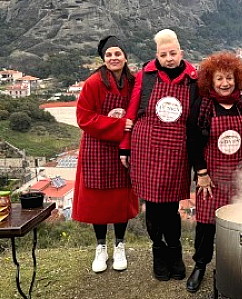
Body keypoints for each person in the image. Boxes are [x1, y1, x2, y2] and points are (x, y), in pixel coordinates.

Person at [119, 29, 201, 281]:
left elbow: (197, 119)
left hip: (177, 149)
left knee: (171, 205)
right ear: (156, 55)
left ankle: (175, 250)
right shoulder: (146, 76)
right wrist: (125, 146)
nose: (169, 58)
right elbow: (131, 113)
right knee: (153, 205)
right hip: (147, 146)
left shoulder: (194, 79)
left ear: (181, 53)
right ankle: (159, 250)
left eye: (173, 53)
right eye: (164, 54)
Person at [185, 52, 242, 293]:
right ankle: (200, 265)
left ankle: (230, 268)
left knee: (237, 226)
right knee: (206, 225)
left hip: (241, 177)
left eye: (229, 78)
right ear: (210, 81)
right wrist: (201, 173)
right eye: (219, 78)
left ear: (237, 79)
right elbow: (193, 142)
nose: (224, 83)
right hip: (211, 178)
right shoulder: (203, 106)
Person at [71, 35, 140, 272]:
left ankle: (119, 245)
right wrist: (120, 126)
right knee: (98, 201)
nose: (113, 58)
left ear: (125, 56)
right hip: (97, 147)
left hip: (123, 147)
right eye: (109, 55)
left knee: (120, 199)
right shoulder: (93, 83)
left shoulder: (133, 83)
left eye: (117, 53)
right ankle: (100, 247)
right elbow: (84, 118)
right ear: (103, 58)